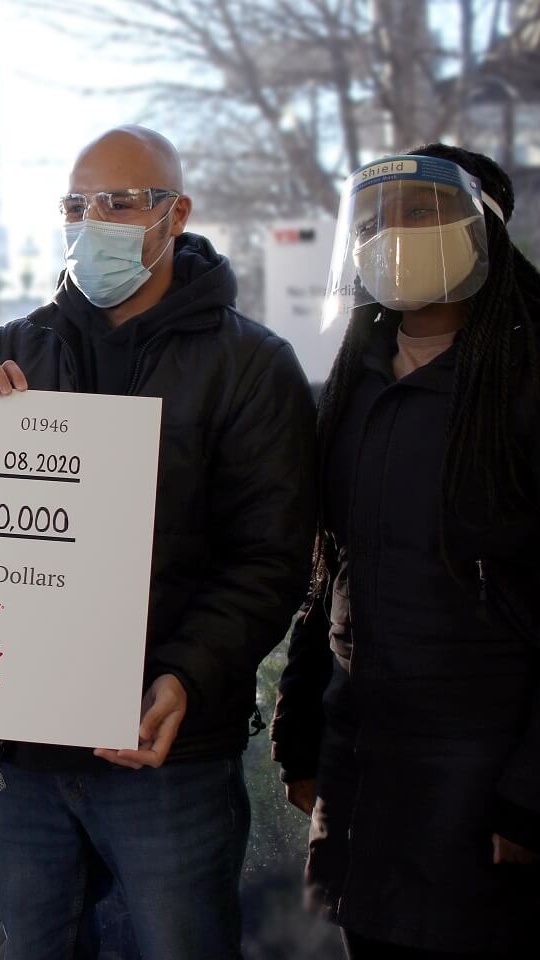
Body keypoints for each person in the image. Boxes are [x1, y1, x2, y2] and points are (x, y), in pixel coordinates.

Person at [0, 125, 317, 959]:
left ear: (175, 215)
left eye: (121, 203)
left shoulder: (254, 366)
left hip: (167, 756)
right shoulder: (8, 354)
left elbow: (268, 557)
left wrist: (185, 674)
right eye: (78, 206)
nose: (96, 222)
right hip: (23, 759)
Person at [271, 145, 540, 959]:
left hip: (485, 779)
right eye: (377, 218)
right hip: (365, 765)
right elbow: (334, 568)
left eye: (421, 213)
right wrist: (302, 729)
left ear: (480, 229)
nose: (395, 234)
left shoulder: (524, 384)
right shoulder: (351, 384)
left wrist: (530, 795)